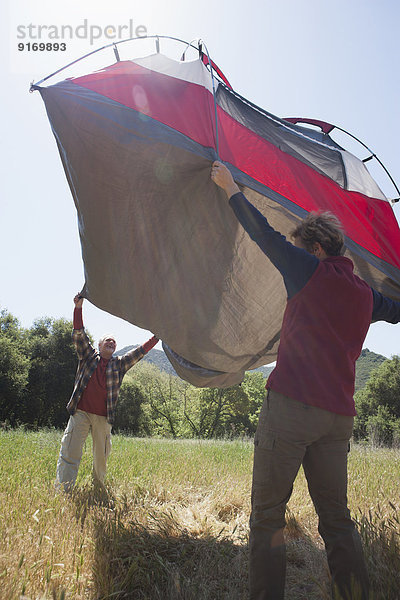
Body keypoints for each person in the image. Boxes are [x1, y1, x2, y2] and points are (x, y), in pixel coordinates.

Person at [211, 160, 400, 600]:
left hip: (293, 408)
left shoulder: (306, 270)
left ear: (315, 249)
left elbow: (264, 236)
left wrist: (230, 187)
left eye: (301, 246)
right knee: (337, 519)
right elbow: (396, 309)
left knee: (268, 516)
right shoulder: (365, 295)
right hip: (338, 419)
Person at [55, 294, 158, 491]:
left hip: (104, 417)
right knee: (70, 451)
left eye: (114, 342)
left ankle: (98, 488)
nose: (112, 343)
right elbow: (78, 332)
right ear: (100, 345)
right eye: (108, 341)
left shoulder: (119, 364)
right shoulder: (87, 356)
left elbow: (140, 352)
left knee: (101, 456)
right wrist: (78, 307)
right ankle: (64, 490)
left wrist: (156, 337)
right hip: (81, 413)